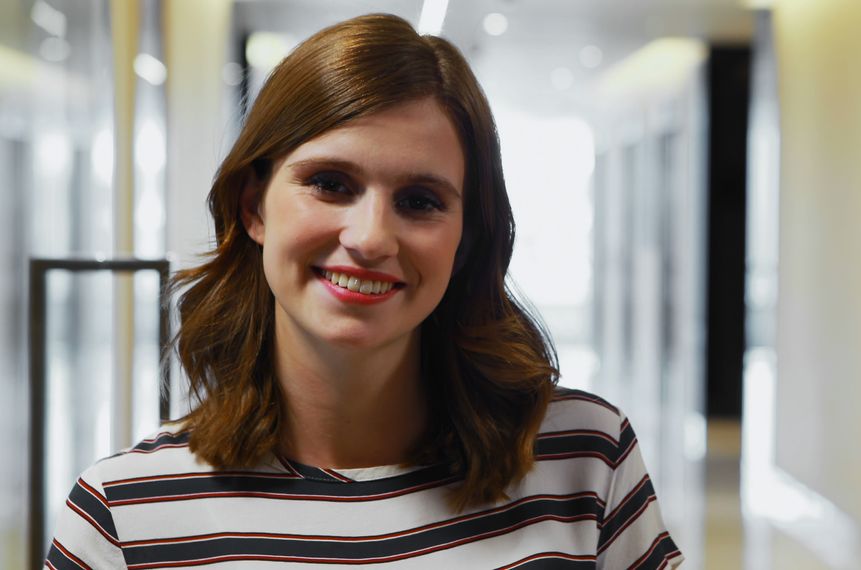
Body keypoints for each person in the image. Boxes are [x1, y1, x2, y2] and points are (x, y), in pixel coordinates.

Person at [46, 14, 681, 569]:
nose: (372, 237)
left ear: (465, 239)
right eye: (331, 183)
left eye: (420, 201)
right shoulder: (124, 514)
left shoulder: (584, 461)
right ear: (254, 208)